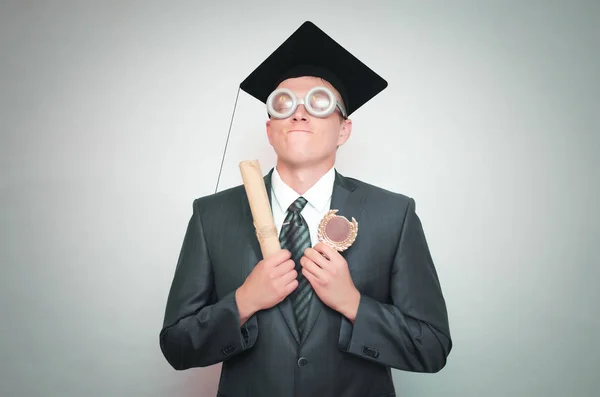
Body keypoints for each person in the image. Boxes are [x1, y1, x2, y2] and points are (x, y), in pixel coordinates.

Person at [159, 21, 452, 397]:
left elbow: (432, 347)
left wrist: (354, 303)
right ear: (269, 129)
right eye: (284, 104)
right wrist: (243, 302)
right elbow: (176, 347)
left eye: (318, 102)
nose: (299, 114)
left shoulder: (393, 215)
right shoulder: (211, 215)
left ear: (344, 130)